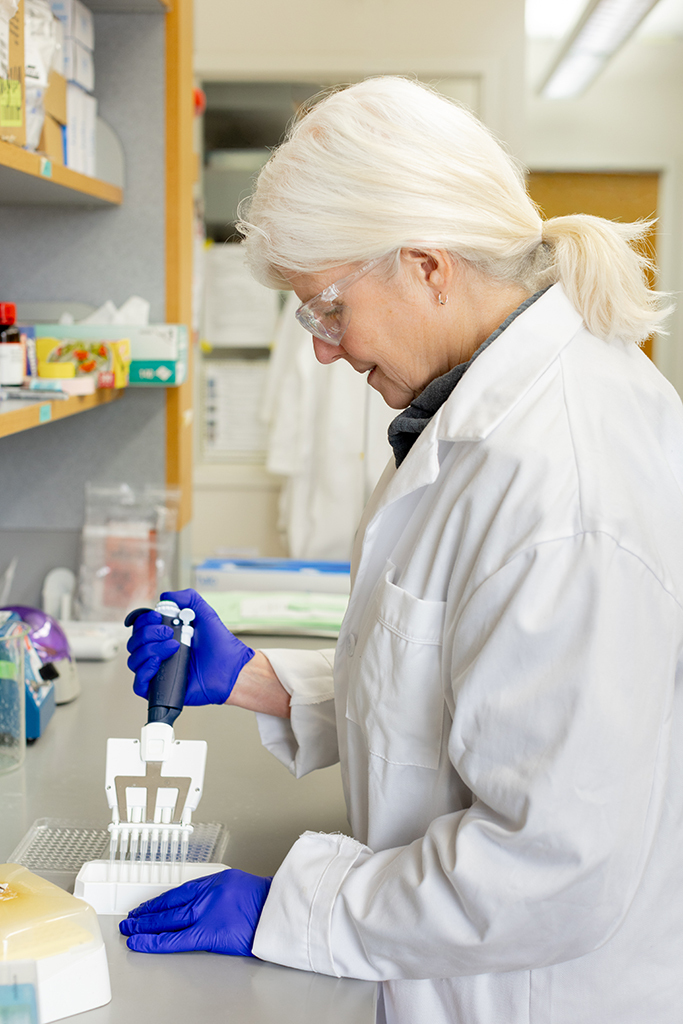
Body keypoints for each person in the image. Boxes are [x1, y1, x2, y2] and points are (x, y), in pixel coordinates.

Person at [121, 78, 683, 1024]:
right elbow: (475, 689)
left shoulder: (564, 480)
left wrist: (293, 907)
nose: (324, 351)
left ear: (426, 266)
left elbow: (551, 869)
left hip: (532, 995)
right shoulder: (479, 416)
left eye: (325, 309)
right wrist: (261, 679)